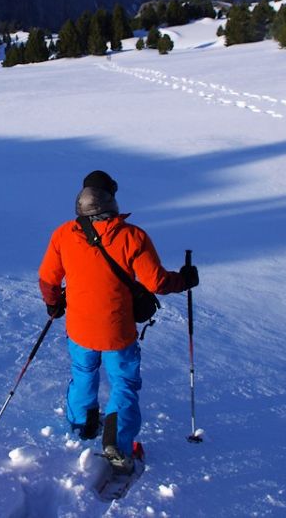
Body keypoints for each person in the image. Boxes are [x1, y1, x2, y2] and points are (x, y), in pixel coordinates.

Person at [38, 170, 199, 473]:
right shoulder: (131, 236)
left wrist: (53, 303)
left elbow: (48, 278)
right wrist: (185, 280)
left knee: (83, 371)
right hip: (117, 331)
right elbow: (157, 282)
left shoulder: (63, 234)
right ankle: (117, 443)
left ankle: (82, 424)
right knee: (123, 382)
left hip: (79, 328)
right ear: (110, 200)